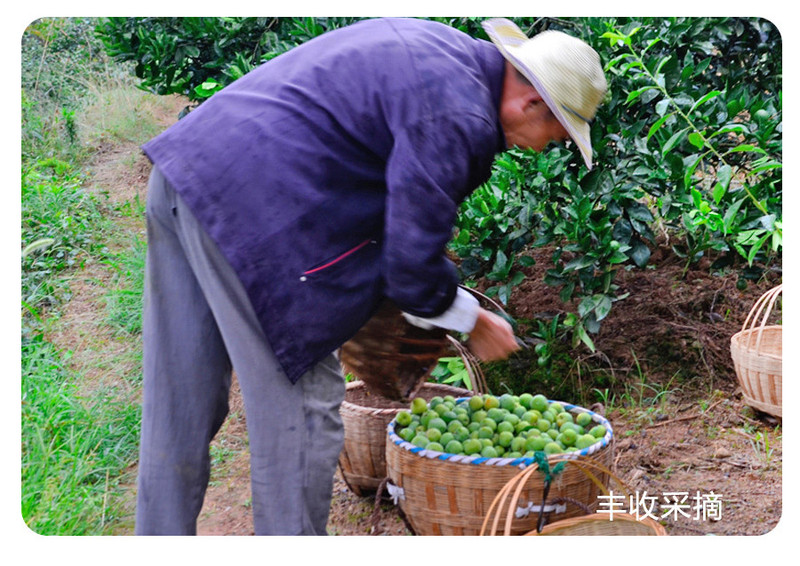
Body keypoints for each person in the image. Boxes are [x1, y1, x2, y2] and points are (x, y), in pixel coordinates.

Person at [135, 17, 607, 535]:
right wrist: (471, 318)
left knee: (180, 403)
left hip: (185, 172)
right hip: (256, 217)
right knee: (302, 415)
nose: (542, 147)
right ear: (531, 103)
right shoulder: (461, 114)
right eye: (556, 135)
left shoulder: (442, 51)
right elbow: (410, 264)